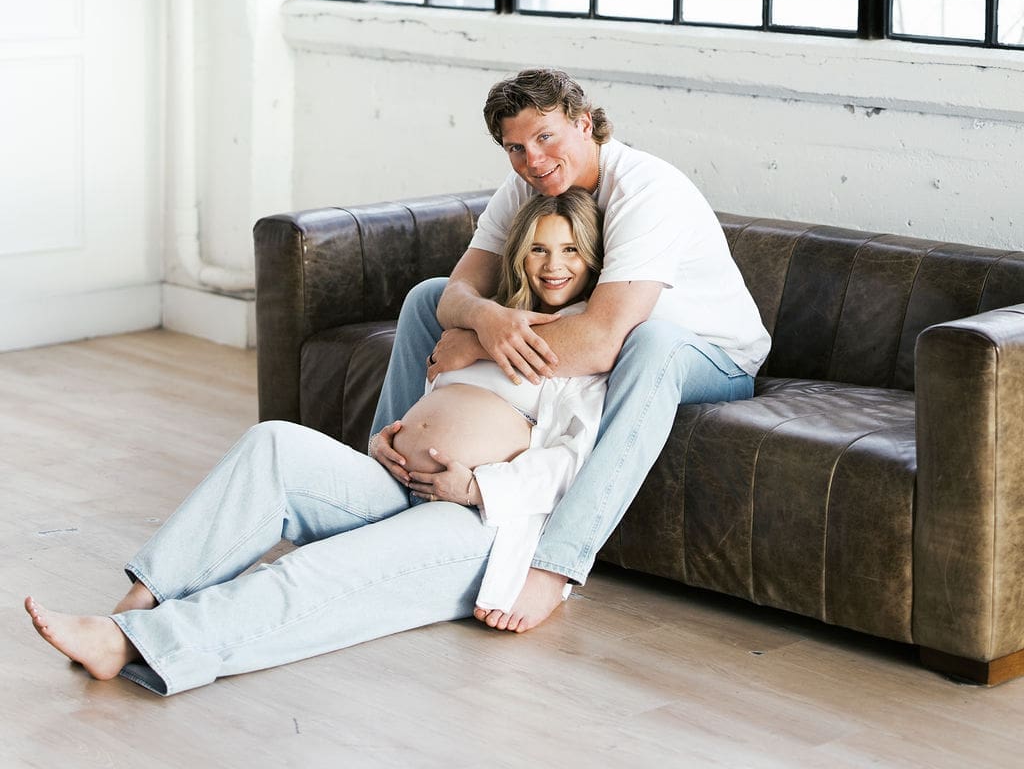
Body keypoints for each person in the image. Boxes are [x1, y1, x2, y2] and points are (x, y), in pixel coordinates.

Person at [25, 190, 606, 694]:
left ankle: (136, 645)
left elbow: (572, 464)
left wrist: (477, 485)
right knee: (272, 444)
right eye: (539, 248)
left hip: (477, 522)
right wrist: (390, 439)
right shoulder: (491, 324)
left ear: (594, 259)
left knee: (316, 570)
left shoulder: (591, 354)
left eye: (570, 251)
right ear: (519, 255)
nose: (553, 266)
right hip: (399, 480)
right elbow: (440, 409)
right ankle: (139, 602)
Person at [371, 66, 770, 633]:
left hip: (712, 355)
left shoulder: (645, 190)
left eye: (545, 137)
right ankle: (386, 463)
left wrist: (477, 347)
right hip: (607, 332)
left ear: (585, 124)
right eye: (515, 148)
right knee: (424, 295)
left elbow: (604, 341)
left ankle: (556, 566)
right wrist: (483, 317)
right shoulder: (527, 188)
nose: (533, 160)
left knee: (650, 343)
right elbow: (453, 296)